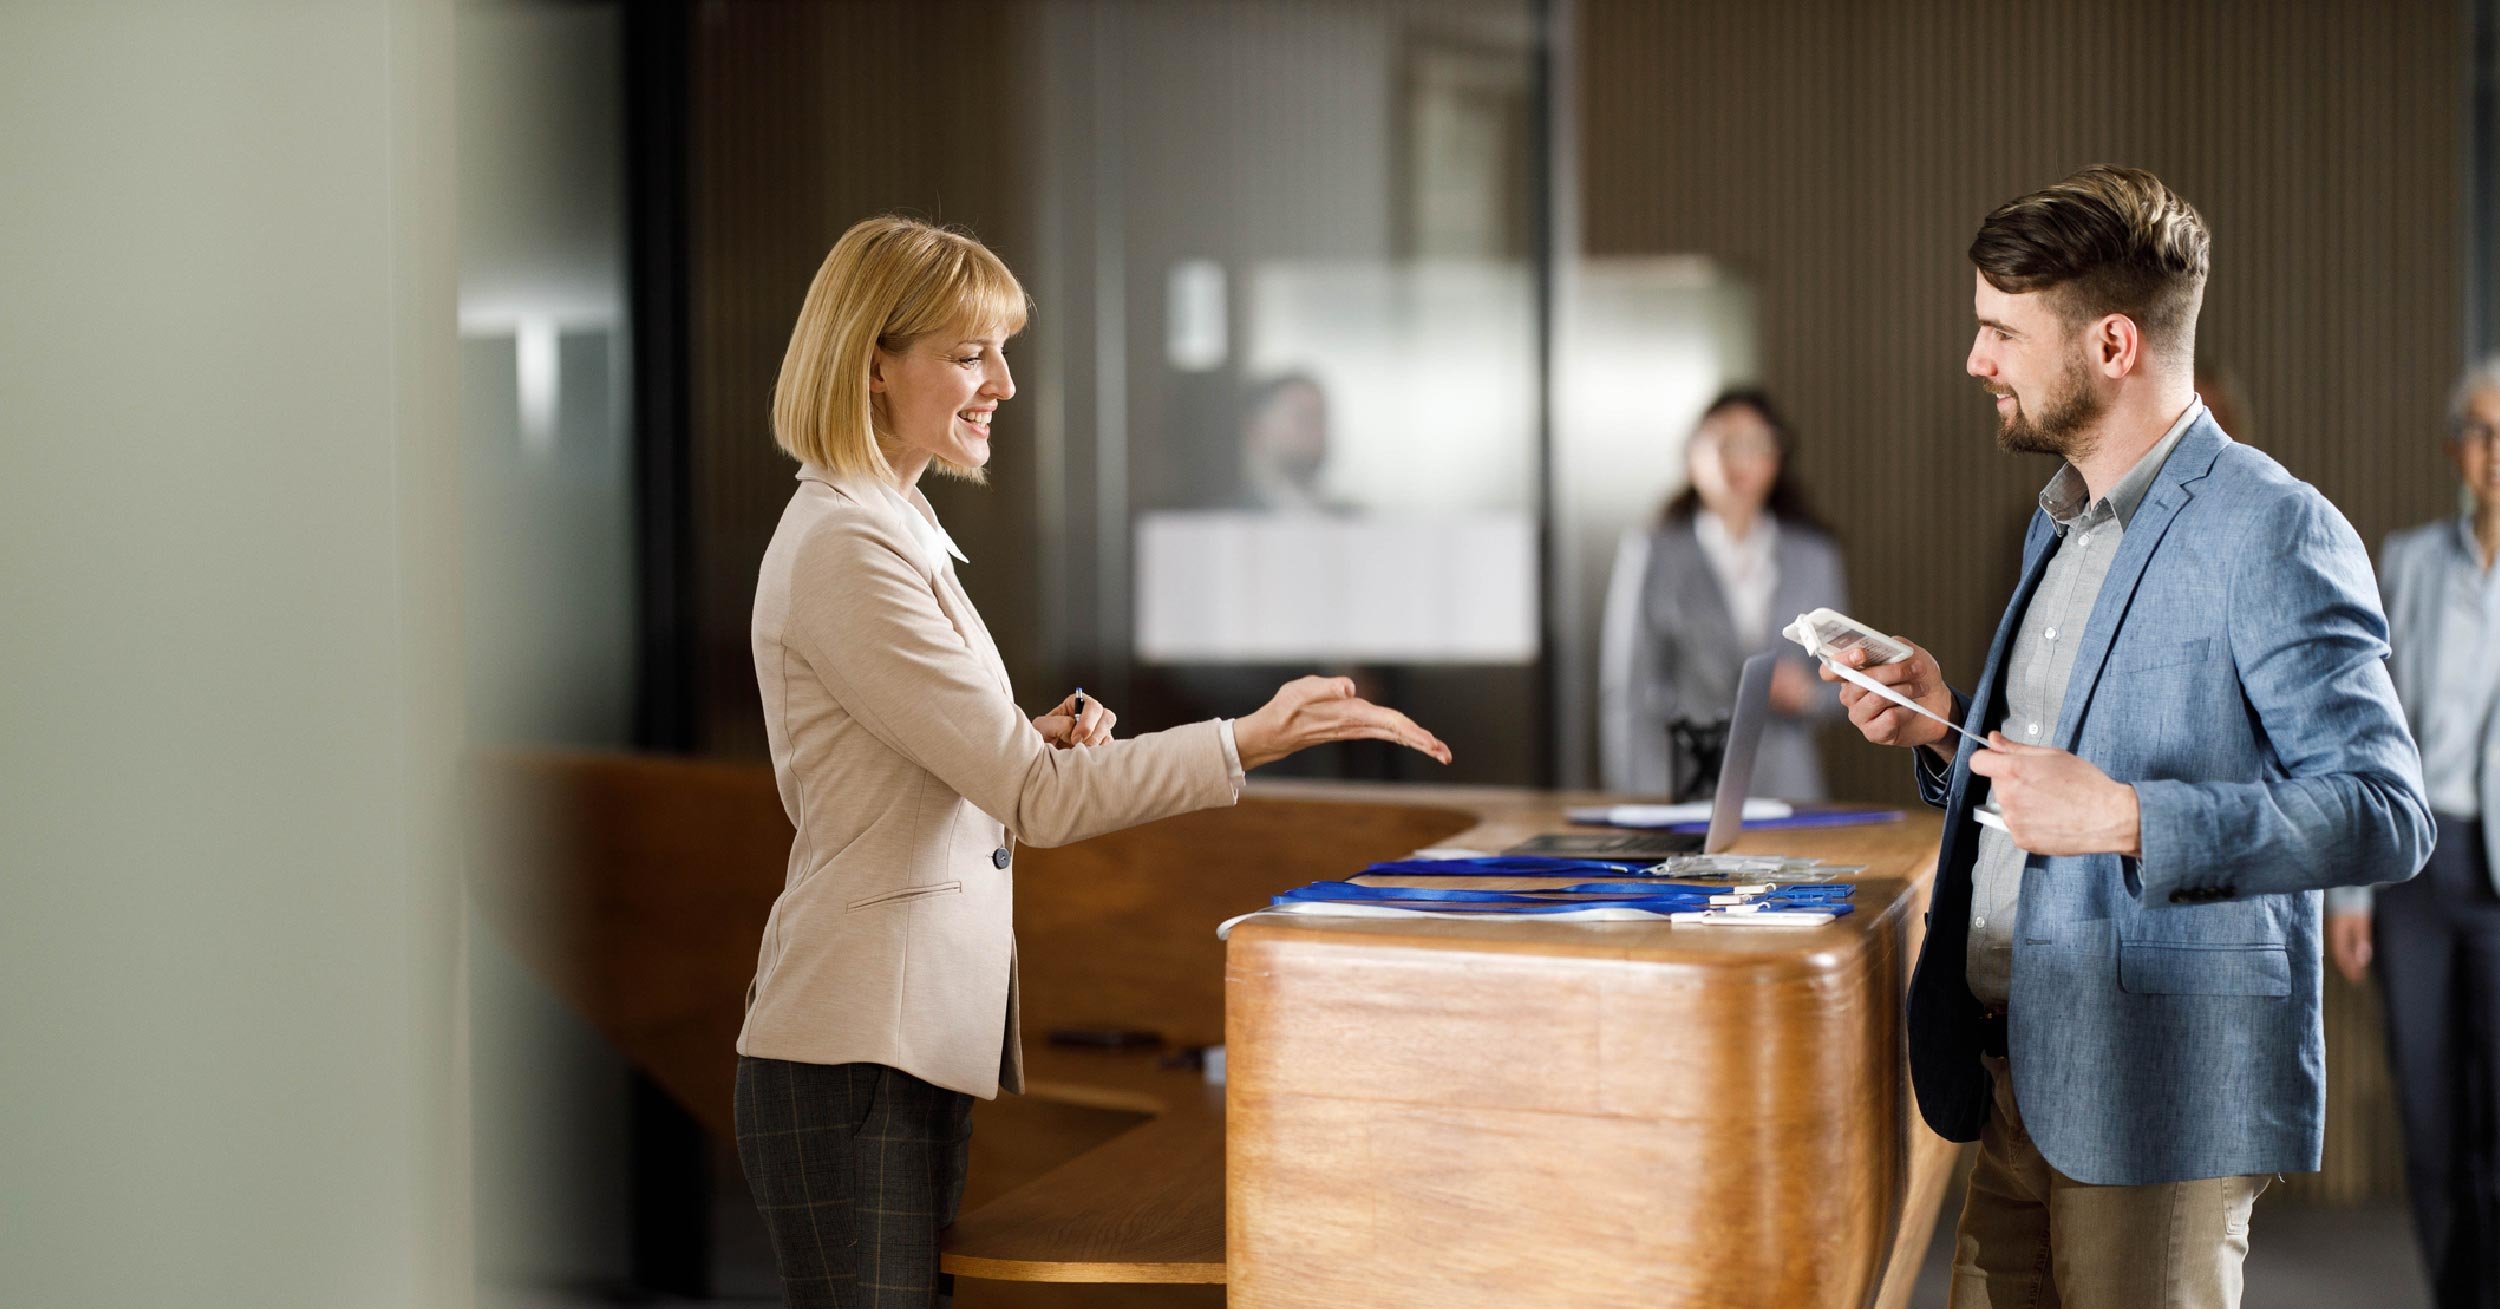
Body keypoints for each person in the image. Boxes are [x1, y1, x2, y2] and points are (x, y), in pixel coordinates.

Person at [733, 215, 1450, 1309]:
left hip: (903, 1036)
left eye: (1001, 350)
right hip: (851, 1047)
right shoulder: (846, 544)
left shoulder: (895, 522)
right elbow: (1035, 801)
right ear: (872, 366)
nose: (1004, 384)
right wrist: (1250, 735)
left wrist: (1025, 734)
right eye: (970, 353)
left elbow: (945, 764)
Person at [1827, 165, 2432, 1308]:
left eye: (2001, 331)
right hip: (2015, 1075)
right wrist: (1946, 732)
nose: (1976, 361)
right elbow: (2059, 775)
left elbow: (2383, 812)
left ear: (2112, 346)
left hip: (2158, 1093)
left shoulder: (2273, 527)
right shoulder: (2056, 527)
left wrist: (2127, 817)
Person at [2325, 358, 2500, 1309]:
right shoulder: (2408, 560)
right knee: (2429, 1118)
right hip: (2418, 873)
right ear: (2454, 449)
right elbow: (2365, 731)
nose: (2497, 452)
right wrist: (2350, 892)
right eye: (2481, 432)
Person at [1598, 388, 1848, 800]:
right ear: (1692, 458)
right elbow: (1628, 690)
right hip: (1687, 781)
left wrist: (1807, 695)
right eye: (1723, 444)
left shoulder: (1814, 555)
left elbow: (1846, 681)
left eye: (1754, 445)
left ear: (1776, 459)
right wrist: (1640, 799)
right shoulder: (1654, 551)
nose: (1738, 460)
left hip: (1788, 788)